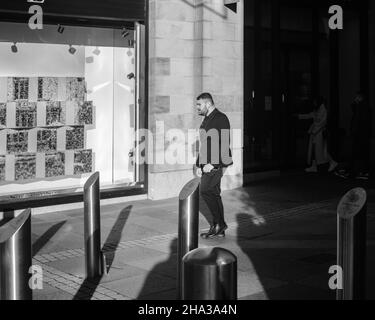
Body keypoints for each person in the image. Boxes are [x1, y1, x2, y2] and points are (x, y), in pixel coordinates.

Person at [195, 93, 233, 239]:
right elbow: (205, 144)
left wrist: (213, 164)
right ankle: (219, 226)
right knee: (214, 193)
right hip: (206, 164)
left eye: (199, 104)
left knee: (205, 190)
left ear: (208, 104)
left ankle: (219, 225)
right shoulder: (207, 119)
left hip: (216, 164)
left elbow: (224, 143)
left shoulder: (220, 118)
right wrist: (199, 164)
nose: (197, 107)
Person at [336, 92, 372, 180]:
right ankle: (363, 172)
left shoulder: (360, 107)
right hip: (363, 135)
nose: (354, 99)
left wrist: (353, 132)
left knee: (355, 154)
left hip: (359, 135)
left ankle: (351, 172)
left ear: (360, 98)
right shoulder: (365, 107)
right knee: (361, 154)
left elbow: (357, 120)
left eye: (356, 97)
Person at [298, 97, 338, 173]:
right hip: (316, 132)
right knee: (316, 150)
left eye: (315, 102)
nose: (314, 103)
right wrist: (299, 116)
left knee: (321, 151)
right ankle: (315, 166)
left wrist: (315, 129)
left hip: (319, 133)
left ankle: (332, 162)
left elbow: (322, 122)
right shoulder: (318, 109)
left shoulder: (323, 110)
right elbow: (310, 115)